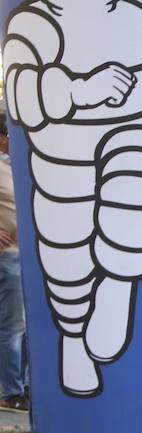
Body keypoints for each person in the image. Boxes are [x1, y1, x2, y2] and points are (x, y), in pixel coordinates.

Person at [0, 114, 27, 413]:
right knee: (13, 327)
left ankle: (24, 388)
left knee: (27, 328)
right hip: (8, 256)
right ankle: (11, 392)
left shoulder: (15, 165)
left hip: (27, 256)